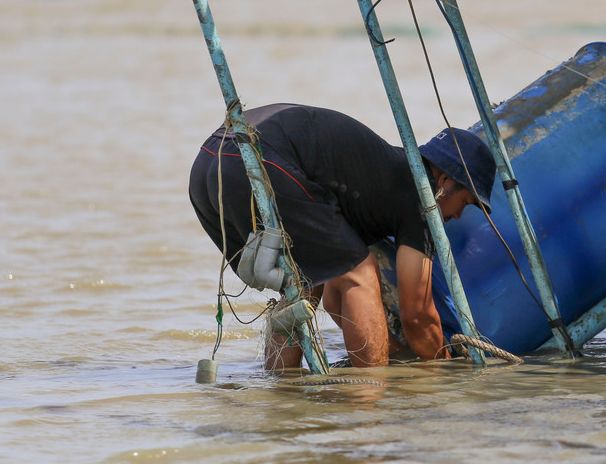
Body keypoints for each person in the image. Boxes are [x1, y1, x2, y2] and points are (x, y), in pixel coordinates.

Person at [188, 104, 495, 369]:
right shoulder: (423, 198)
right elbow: (417, 316)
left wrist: (389, 346)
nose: (456, 215)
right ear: (443, 180)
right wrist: (444, 372)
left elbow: (335, 299)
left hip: (208, 164)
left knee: (303, 286)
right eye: (466, 203)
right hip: (258, 156)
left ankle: (281, 385)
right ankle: (369, 400)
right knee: (360, 274)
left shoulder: (377, 179)